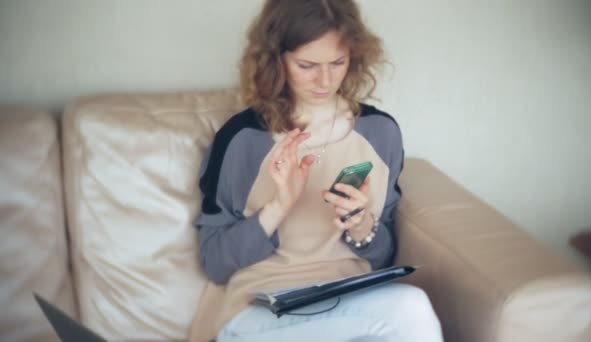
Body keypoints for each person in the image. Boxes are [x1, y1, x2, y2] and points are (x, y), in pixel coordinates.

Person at [188, 1, 443, 341]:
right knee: (408, 313)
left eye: (338, 63)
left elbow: (382, 255)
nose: (325, 80)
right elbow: (215, 263)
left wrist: (362, 224)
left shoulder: (381, 134)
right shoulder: (241, 140)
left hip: (348, 303)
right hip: (258, 315)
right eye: (307, 65)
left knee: (411, 305)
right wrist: (278, 207)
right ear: (276, 59)